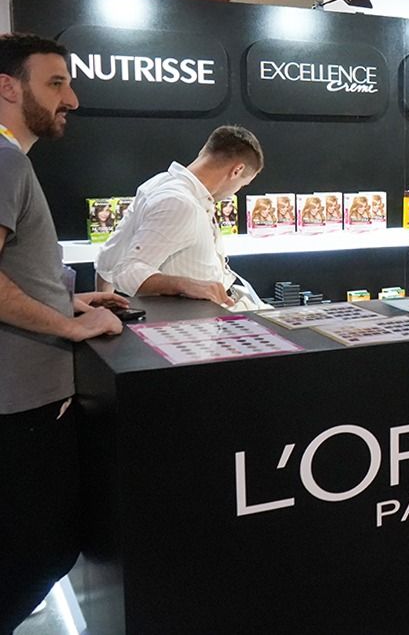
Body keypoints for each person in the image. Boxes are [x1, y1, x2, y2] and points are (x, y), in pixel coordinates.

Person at [0, 32, 126, 632]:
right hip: (22, 403)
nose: (71, 98)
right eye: (55, 83)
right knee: (36, 552)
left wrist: (65, 299)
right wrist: (69, 328)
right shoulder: (2, 161)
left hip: (24, 398)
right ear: (6, 87)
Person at [95, 126, 264, 308]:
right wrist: (185, 285)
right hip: (197, 327)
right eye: (242, 185)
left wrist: (101, 309)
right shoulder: (181, 204)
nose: (234, 193)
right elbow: (126, 272)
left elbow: (108, 260)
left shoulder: (158, 183)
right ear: (237, 171)